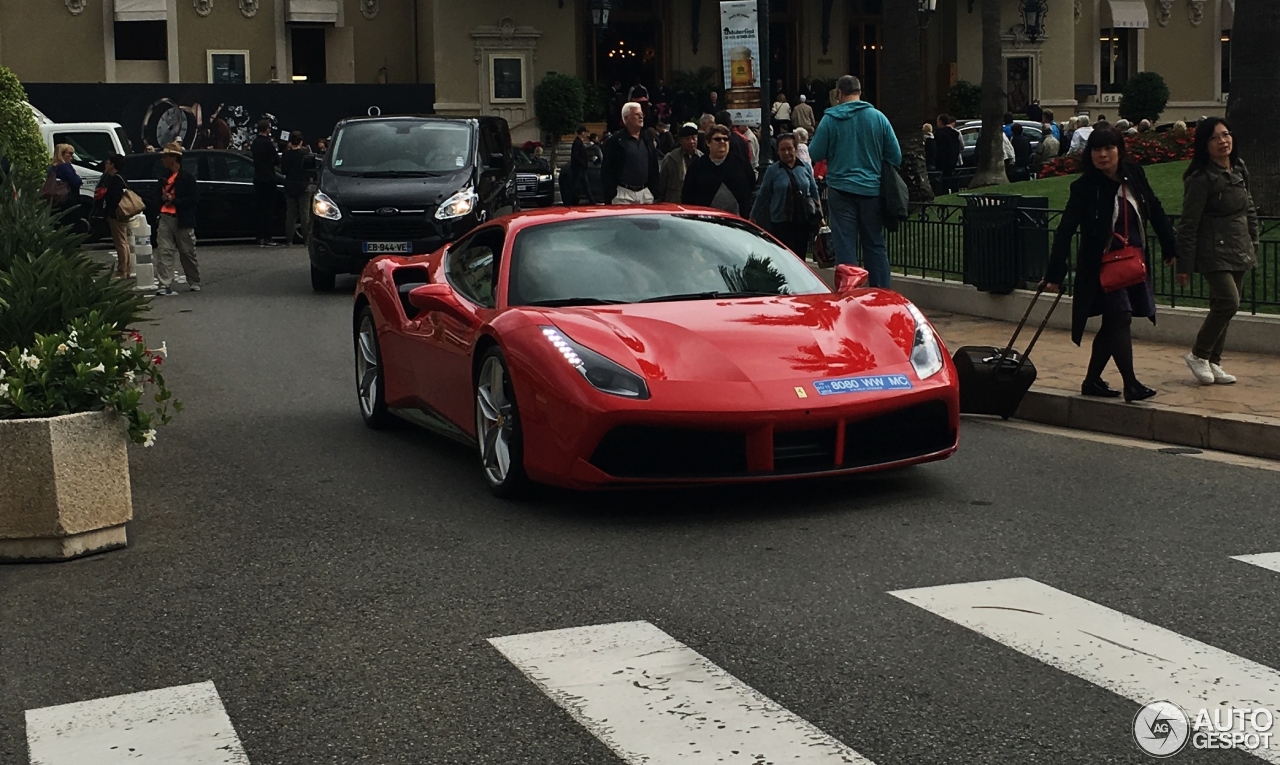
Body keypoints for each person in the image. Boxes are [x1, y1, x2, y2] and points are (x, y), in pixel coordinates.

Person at [1042, 128, 1177, 403]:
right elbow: (1065, 229)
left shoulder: (1134, 175)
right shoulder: (1083, 187)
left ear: (1119, 150)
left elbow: (1155, 208)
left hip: (1131, 262)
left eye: (1109, 149)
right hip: (1101, 267)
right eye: (1096, 150)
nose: (1102, 155)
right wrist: (1055, 272)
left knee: (1114, 322)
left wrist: (1170, 246)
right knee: (1120, 317)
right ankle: (1131, 383)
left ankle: (1092, 380)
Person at [1175, 116, 1259, 386]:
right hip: (1213, 250)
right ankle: (1199, 354)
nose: (1223, 141)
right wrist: (1184, 264)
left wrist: (1253, 239)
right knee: (1228, 301)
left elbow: (1249, 207)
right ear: (1205, 144)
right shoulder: (1201, 179)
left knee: (1225, 307)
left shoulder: (1239, 168)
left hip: (1239, 246)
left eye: (1226, 135)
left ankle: (1213, 361)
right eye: (1215, 137)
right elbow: (1188, 223)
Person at [808, 75, 902, 288]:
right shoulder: (878, 118)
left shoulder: (830, 120)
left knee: (845, 247)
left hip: (840, 190)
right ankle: (881, 294)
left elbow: (815, 152)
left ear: (839, 94)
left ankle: (849, 295)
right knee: (875, 245)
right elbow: (895, 156)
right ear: (860, 92)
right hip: (871, 190)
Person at [750, 133, 821, 259]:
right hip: (780, 221)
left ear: (795, 149)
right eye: (782, 149)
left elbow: (814, 191)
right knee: (784, 256)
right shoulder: (773, 170)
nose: (786, 152)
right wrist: (753, 216)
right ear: (778, 151)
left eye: (789, 148)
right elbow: (763, 194)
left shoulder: (805, 167)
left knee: (800, 256)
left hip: (802, 220)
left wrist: (820, 216)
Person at [153, 142, 200, 296]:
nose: (163, 159)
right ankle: (164, 283)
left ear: (175, 158)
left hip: (182, 219)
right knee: (164, 251)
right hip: (165, 217)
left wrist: (175, 201)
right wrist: (162, 199)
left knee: (187, 252)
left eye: (166, 156)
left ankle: (193, 280)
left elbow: (194, 199)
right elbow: (154, 198)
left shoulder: (187, 178)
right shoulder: (163, 177)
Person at [680, 124, 753, 217]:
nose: (722, 142)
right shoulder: (697, 165)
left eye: (725, 139)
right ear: (708, 142)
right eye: (717, 139)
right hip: (706, 221)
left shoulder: (741, 163)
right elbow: (687, 195)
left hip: (737, 221)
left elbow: (751, 186)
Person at [600, 101, 660, 205]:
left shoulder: (647, 140)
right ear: (626, 118)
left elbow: (654, 167)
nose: (641, 117)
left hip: (645, 194)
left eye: (641, 114)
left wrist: (654, 191)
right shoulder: (615, 141)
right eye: (637, 114)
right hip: (623, 194)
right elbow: (607, 169)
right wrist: (612, 194)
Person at [94, 154, 131, 279]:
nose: (106, 165)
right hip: (122, 213)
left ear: (113, 165)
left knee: (120, 242)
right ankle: (127, 268)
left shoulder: (115, 179)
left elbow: (115, 197)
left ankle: (122, 270)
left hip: (117, 214)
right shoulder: (120, 177)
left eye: (108, 163)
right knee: (124, 241)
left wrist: (110, 211)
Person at [250, 119, 280, 247]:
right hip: (268, 178)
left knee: (259, 208)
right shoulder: (268, 143)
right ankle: (268, 237)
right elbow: (276, 160)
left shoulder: (255, 143)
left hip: (258, 177)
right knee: (269, 209)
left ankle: (259, 236)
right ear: (267, 129)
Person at [280, 131, 312, 245]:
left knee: (291, 214)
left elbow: (283, 170)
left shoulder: (286, 154)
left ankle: (289, 239)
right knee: (304, 214)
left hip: (290, 185)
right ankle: (306, 239)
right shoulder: (305, 154)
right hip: (303, 185)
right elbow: (310, 170)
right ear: (301, 141)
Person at [658, 122, 701, 203]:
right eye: (687, 139)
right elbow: (662, 185)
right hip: (674, 202)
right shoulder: (671, 158)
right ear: (681, 140)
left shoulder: (702, 158)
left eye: (694, 138)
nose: (691, 141)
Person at [45, 143, 82, 223]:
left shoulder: (52, 168)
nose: (72, 157)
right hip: (68, 200)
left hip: (55, 200)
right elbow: (76, 182)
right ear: (62, 154)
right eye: (70, 153)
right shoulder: (65, 166)